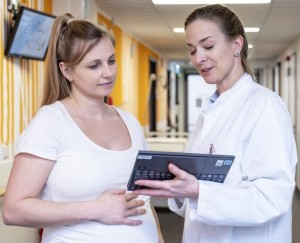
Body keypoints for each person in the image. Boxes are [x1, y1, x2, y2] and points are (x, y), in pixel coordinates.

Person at [134, 4, 297, 243]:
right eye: (192, 50)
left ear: (236, 45)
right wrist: (176, 188)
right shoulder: (210, 111)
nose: (198, 58)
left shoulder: (265, 106)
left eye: (208, 46)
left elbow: (273, 197)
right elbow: (195, 199)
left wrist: (199, 191)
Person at [3, 13, 164, 243]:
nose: (108, 73)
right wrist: (95, 209)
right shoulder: (51, 122)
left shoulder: (131, 123)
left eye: (111, 60)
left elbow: (143, 200)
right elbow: (13, 210)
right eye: (94, 65)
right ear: (67, 71)